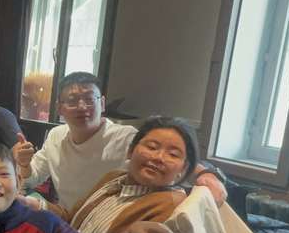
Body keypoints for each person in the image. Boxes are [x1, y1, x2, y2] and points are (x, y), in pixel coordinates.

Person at [13, 72, 227, 209]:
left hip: (111, 225)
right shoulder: (56, 136)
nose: (82, 107)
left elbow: (172, 162)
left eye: (89, 99)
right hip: (67, 220)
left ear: (102, 103)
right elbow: (32, 176)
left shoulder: (125, 138)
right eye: (72, 100)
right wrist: (23, 163)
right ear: (59, 108)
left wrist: (208, 174)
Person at [35, 116, 197, 233]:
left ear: (183, 169)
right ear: (130, 151)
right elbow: (72, 219)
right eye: (152, 147)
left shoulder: (170, 206)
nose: (158, 158)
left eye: (173, 154)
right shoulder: (114, 178)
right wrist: (37, 205)